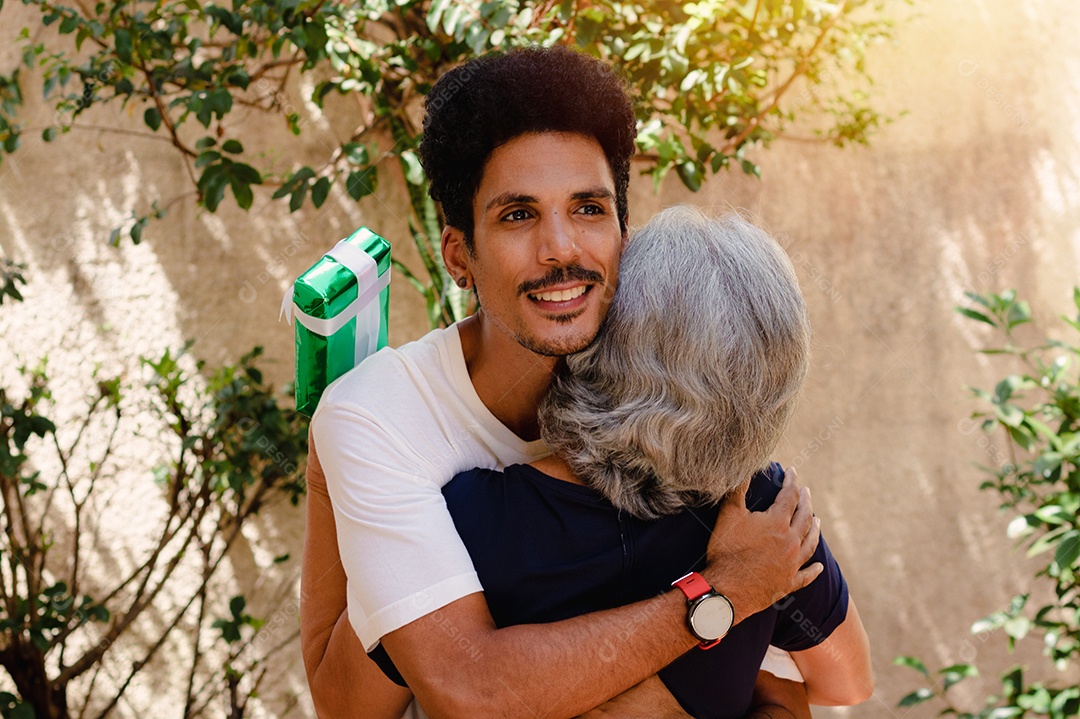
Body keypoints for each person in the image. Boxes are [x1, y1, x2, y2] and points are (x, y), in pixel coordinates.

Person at [300, 46, 832, 719]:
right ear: (459, 254)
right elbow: (469, 691)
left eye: (587, 209)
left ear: (623, 232)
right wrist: (718, 592)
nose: (561, 248)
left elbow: (784, 687)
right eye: (518, 215)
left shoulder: (666, 381)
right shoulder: (381, 415)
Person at [367, 206, 873, 719]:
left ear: (607, 337)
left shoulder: (469, 517)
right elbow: (848, 682)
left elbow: (357, 707)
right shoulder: (763, 513)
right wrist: (766, 674)